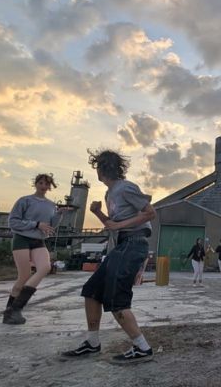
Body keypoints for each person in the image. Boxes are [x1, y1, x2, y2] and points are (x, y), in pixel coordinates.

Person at [62, 149, 156, 363]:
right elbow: (113, 225)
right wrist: (98, 213)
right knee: (92, 291)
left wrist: (120, 224)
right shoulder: (109, 193)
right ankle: (92, 343)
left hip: (134, 243)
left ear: (102, 169)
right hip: (122, 245)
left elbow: (150, 213)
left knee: (116, 298)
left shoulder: (126, 188)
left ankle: (142, 347)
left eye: (98, 167)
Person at [3, 173, 66, 325]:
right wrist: (36, 224)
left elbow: (50, 226)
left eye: (47, 184)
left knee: (45, 267)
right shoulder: (25, 201)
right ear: (36, 184)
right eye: (41, 183)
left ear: (50, 187)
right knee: (24, 276)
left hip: (39, 240)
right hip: (22, 238)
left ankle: (16, 308)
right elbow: (13, 222)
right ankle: (9, 313)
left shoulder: (51, 205)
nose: (44, 186)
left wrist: (59, 215)